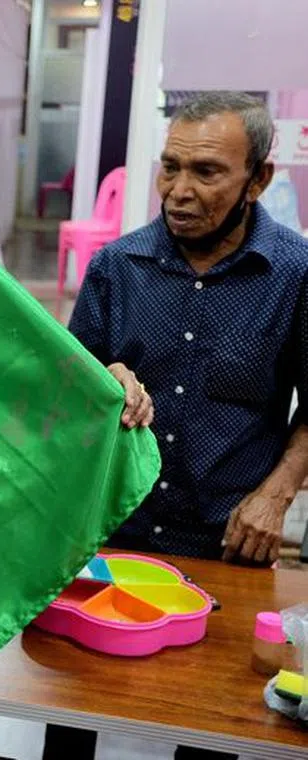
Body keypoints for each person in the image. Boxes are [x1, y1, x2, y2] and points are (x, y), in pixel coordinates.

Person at [46, 91, 308, 760]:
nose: (179, 191)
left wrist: (276, 495)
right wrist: (106, 376)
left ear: (260, 180)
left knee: (210, 721)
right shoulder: (117, 267)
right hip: (115, 530)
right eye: (170, 167)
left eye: (207, 172)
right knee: (75, 707)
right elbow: (68, 389)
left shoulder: (296, 274)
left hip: (227, 540)